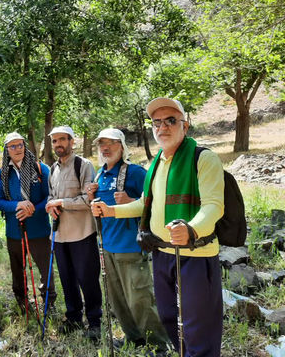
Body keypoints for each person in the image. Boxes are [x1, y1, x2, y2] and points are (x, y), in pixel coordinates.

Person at [92, 98, 225, 356]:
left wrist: (191, 228)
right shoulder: (156, 163)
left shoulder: (203, 158)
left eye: (171, 120)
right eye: (157, 122)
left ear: (185, 126)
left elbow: (213, 206)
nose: (162, 127)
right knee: (167, 317)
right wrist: (111, 211)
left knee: (198, 323)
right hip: (162, 254)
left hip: (195, 254)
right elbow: (145, 203)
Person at [86, 129, 169, 353]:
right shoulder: (99, 175)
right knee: (118, 301)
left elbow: (155, 205)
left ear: (122, 146)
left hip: (130, 247)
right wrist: (91, 198)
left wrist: (131, 200)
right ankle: (135, 339)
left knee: (140, 300)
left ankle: (159, 346)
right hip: (108, 248)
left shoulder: (135, 172)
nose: (105, 148)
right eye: (102, 144)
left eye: (111, 143)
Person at [44, 126, 102, 339]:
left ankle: (95, 322)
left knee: (88, 280)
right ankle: (74, 318)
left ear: (71, 142)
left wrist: (62, 203)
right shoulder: (52, 169)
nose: (58, 144)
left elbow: (89, 199)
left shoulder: (83, 165)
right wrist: (51, 205)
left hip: (82, 233)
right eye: (55, 141)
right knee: (67, 280)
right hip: (59, 235)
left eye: (62, 140)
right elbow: (51, 196)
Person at [0, 132, 55, 313]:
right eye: (12, 146)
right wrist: (17, 205)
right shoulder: (3, 173)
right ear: (7, 150)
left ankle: (49, 302)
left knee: (45, 267)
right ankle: (22, 301)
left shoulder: (40, 169)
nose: (17, 149)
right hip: (14, 230)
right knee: (17, 270)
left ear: (24, 146)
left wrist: (32, 209)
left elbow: (50, 196)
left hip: (39, 229)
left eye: (20, 145)